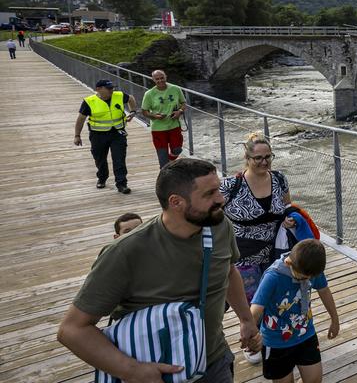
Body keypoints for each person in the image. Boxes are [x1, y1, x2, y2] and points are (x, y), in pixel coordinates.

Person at [58, 158, 261, 383]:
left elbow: (228, 270)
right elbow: (72, 330)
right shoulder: (126, 252)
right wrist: (132, 370)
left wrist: (245, 319)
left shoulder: (220, 227)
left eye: (219, 190)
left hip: (214, 361)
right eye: (209, 194)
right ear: (176, 202)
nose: (221, 200)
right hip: (156, 372)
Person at [221, 132, 292, 363]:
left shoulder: (279, 179)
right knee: (252, 303)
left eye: (268, 157)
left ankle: (270, 338)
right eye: (257, 158)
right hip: (242, 255)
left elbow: (287, 206)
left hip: (274, 252)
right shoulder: (231, 185)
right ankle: (251, 341)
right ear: (247, 157)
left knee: (273, 297)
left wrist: (288, 219)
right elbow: (209, 212)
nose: (263, 162)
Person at [251, 239, 339, 383]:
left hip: (305, 333)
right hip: (276, 341)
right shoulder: (273, 277)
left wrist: (335, 320)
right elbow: (255, 309)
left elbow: (324, 291)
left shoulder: (310, 269)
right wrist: (251, 335)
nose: (308, 280)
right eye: (304, 277)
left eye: (311, 278)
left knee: (314, 379)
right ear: (288, 263)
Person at [74, 79, 138, 194]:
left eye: (112, 88)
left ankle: (122, 184)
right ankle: (102, 178)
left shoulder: (119, 95)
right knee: (100, 159)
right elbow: (81, 119)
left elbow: (131, 98)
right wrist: (77, 135)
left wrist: (133, 112)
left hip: (118, 133)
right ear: (98, 89)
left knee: (119, 159)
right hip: (98, 136)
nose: (112, 90)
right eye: (108, 88)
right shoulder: (89, 101)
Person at [141, 70, 187, 168]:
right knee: (162, 158)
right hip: (158, 129)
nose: (160, 80)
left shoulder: (176, 89)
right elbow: (144, 111)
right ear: (153, 80)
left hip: (174, 125)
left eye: (162, 78)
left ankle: (169, 163)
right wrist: (154, 116)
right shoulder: (149, 94)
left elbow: (183, 103)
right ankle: (165, 173)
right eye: (157, 79)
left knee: (177, 150)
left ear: (166, 77)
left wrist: (180, 111)